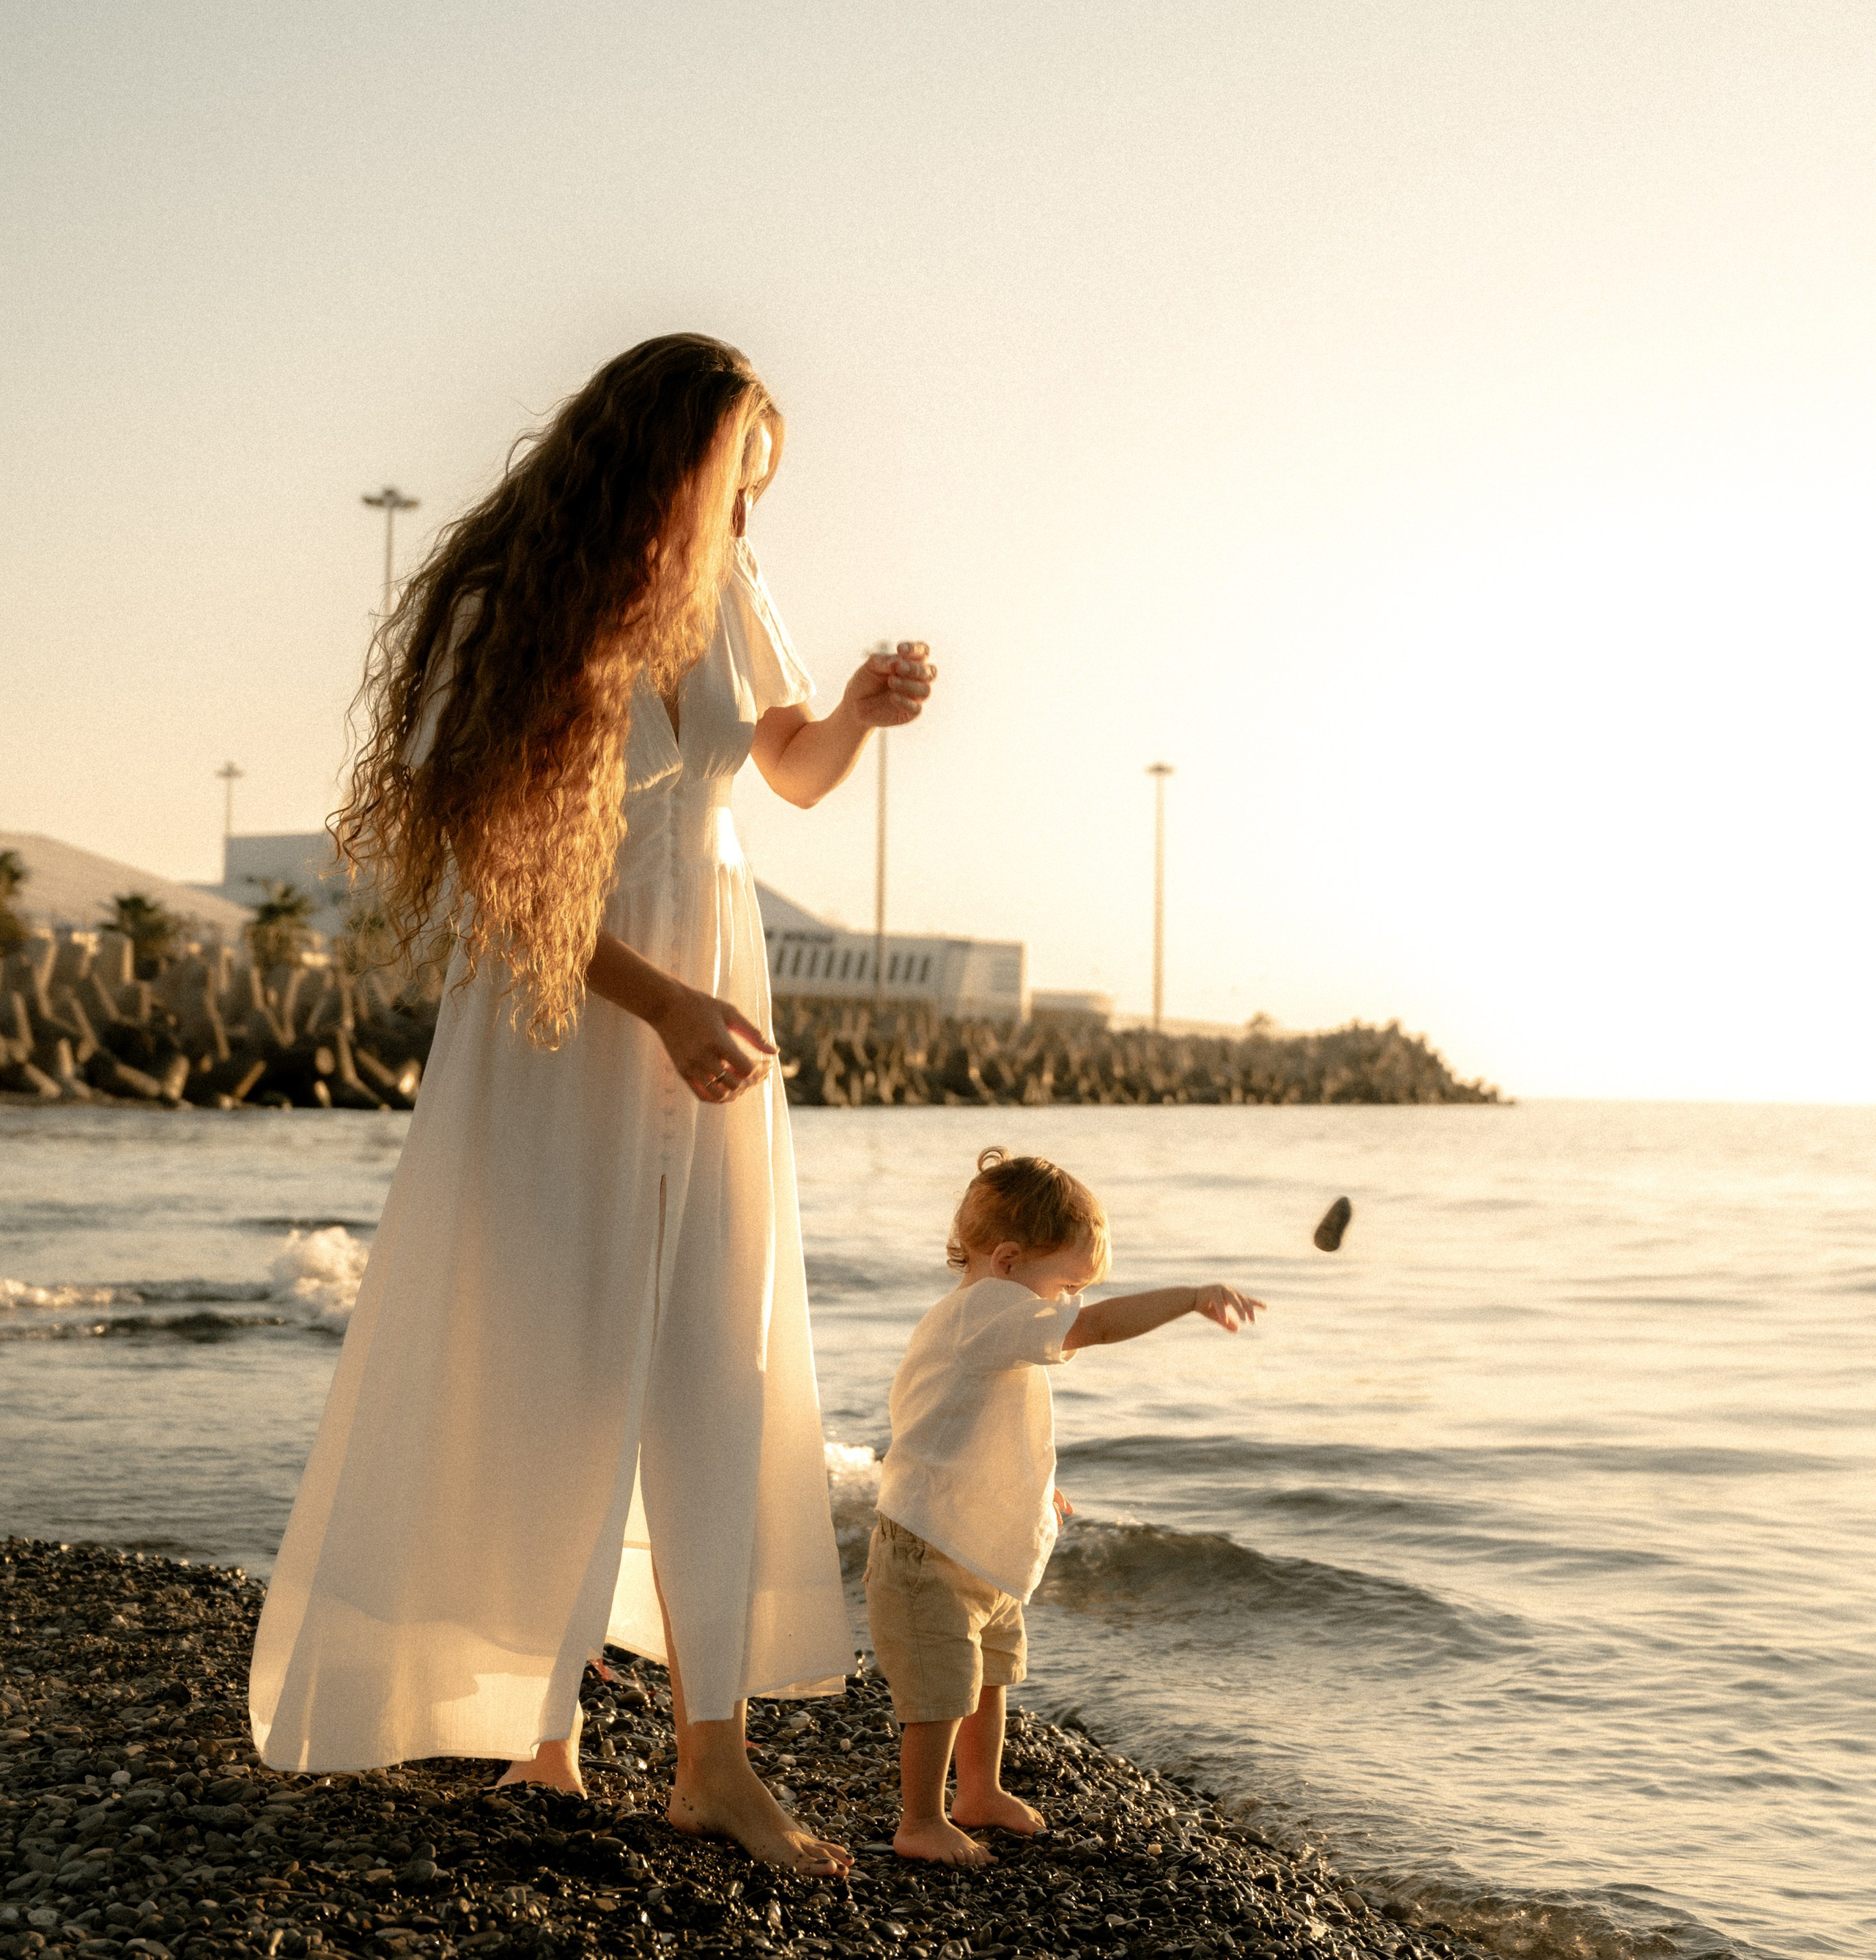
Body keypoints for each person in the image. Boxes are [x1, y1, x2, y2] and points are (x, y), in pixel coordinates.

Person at [248, 333, 936, 1879]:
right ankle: (538, 1721)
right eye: (733, 490)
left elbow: (788, 771)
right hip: (573, 1005)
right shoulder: (520, 611)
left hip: (710, 983)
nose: (748, 525)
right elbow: (508, 888)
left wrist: (864, 718)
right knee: (548, 1347)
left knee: (713, 1346)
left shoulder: (725, 594)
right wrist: (668, 1005)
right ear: (666, 469)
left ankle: (710, 1760)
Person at [864, 1147, 1263, 1867]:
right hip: (928, 1546)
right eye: (1066, 1286)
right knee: (940, 1690)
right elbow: (1097, 1327)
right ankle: (919, 1818)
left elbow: (963, 1424)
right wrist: (1190, 1295)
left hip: (974, 1540)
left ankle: (976, 1791)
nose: (1066, 1305)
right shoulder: (986, 1306)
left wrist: (1029, 1488)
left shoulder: (993, 1318)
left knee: (988, 1675)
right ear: (1009, 1260)